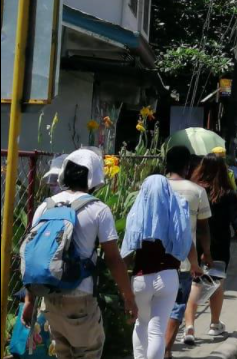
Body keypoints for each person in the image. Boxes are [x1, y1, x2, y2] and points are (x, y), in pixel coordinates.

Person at [21, 149, 137, 359]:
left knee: (63, 354)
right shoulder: (98, 209)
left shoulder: (44, 207)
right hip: (80, 297)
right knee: (89, 352)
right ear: (94, 176)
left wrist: (29, 301)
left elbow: (32, 255)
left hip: (49, 296)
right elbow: (113, 258)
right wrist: (128, 297)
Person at [184, 155, 237, 338]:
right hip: (219, 246)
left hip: (193, 245)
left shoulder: (194, 191)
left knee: (195, 283)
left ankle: (189, 326)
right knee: (215, 284)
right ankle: (215, 324)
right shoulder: (226, 194)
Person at [122, 175, 192, 359]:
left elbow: (127, 249)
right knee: (157, 330)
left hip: (141, 278)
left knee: (141, 324)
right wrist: (196, 264)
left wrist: (122, 288)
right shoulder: (177, 209)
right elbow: (187, 242)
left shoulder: (137, 212)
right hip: (168, 277)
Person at [163, 146, 213, 352]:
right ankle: (165, 351)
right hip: (183, 261)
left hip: (152, 260)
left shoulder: (155, 187)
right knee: (175, 308)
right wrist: (206, 254)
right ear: (187, 166)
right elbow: (203, 229)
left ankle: (157, 351)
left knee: (155, 310)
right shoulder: (197, 191)